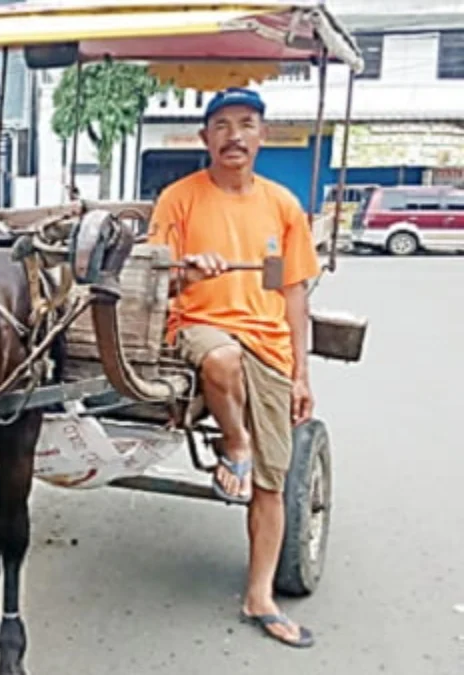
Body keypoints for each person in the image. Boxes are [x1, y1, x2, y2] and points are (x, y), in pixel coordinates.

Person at [147, 87, 320, 649]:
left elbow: (294, 294)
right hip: (196, 328)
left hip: (269, 344)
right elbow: (153, 282)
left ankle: (260, 595)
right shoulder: (179, 199)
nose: (234, 135)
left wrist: (300, 374)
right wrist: (188, 274)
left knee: (274, 481)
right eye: (221, 125)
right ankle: (234, 445)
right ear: (205, 139)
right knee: (220, 358)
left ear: (262, 135)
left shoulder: (283, 206)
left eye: (246, 124)